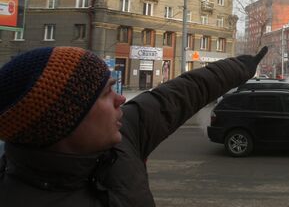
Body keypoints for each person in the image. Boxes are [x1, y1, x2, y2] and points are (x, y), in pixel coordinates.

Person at [0, 45, 268, 206]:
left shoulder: (123, 133)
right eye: (106, 93)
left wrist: (239, 67)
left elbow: (178, 94)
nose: (120, 99)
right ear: (66, 118)